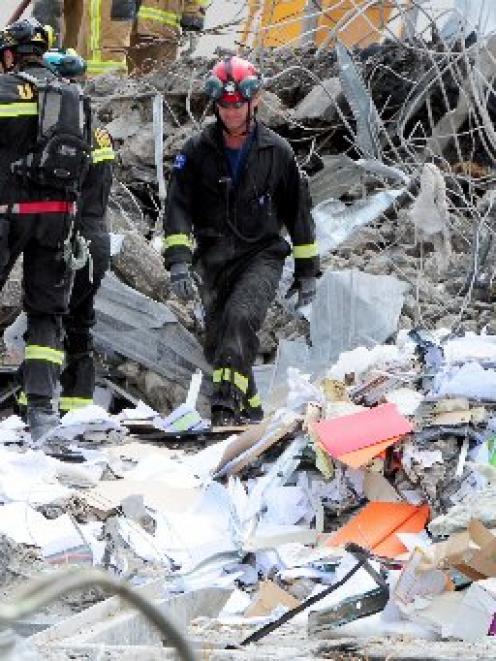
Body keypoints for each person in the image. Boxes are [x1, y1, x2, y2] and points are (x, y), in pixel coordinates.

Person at [163, 56, 319, 426]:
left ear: (255, 101)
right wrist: (180, 262)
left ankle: (224, 412)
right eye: (224, 106)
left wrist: (307, 272)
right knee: (219, 345)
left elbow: (299, 213)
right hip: (212, 258)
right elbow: (178, 209)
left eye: (237, 106)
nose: (231, 113)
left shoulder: (277, 152)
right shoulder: (196, 151)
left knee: (240, 319)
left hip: (261, 255)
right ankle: (252, 412)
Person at [0, 17, 90, 441]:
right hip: (58, 216)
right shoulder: (72, 95)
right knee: (46, 313)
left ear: (10, 54)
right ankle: (42, 413)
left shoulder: (3, 90)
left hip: (8, 212)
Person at [32, 0, 207, 76]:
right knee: (102, 86)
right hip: (107, 29)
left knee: (153, 98)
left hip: (161, 28)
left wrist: (193, 18)